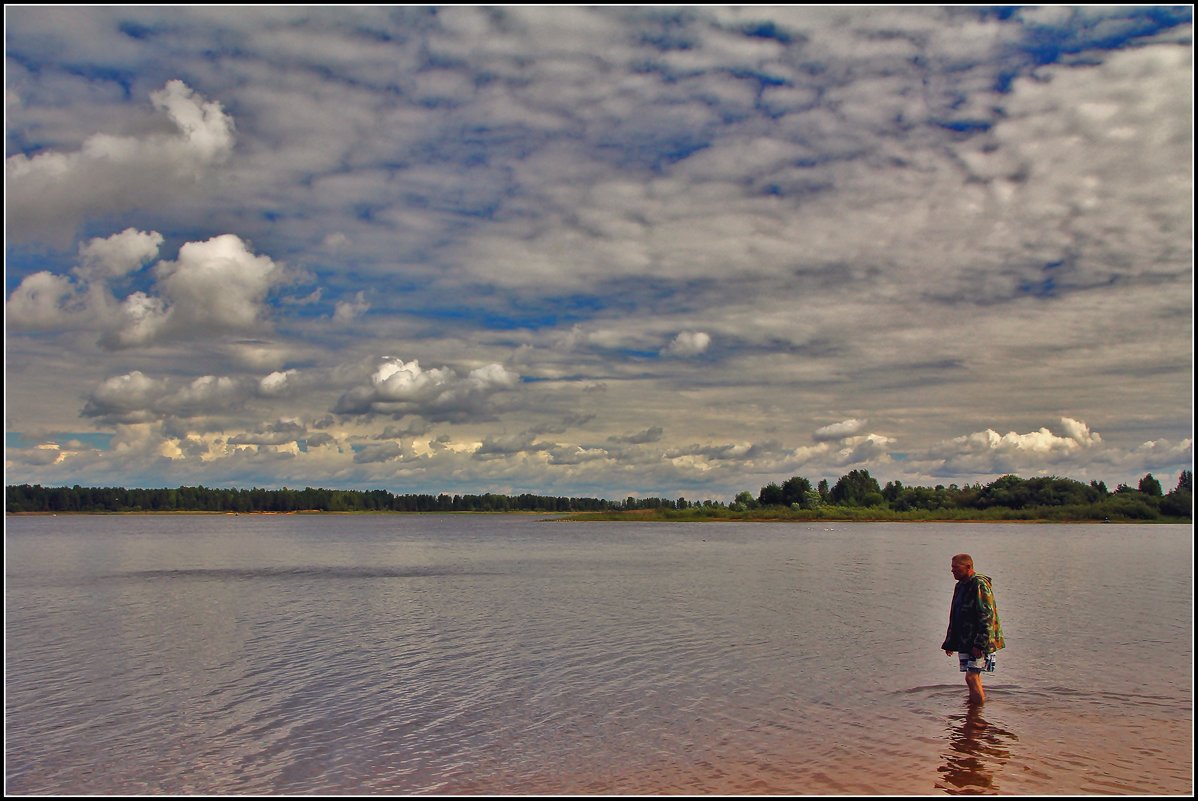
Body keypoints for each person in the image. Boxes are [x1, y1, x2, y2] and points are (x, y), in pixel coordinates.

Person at [942, 553, 1004, 704]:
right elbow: (956, 615)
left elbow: (987, 615)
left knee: (971, 676)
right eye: (952, 567)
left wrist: (980, 644)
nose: (952, 571)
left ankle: (977, 711)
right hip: (965, 640)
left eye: (956, 568)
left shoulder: (979, 585)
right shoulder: (960, 586)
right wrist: (951, 642)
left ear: (968, 567)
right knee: (972, 677)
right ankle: (973, 712)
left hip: (980, 641)